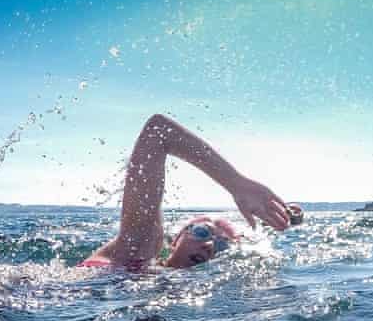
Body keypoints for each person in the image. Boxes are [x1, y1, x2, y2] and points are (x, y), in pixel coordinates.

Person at [79, 113, 296, 270]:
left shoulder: (176, 289)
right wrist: (237, 184)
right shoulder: (138, 249)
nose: (209, 245)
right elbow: (158, 131)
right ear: (175, 241)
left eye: (221, 246)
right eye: (202, 232)